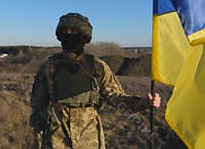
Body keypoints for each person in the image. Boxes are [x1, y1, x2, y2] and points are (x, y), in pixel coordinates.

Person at [29, 13, 161, 149]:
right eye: (65, 31)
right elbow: (38, 108)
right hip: (56, 141)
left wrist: (144, 102)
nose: (69, 35)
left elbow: (116, 98)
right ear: (60, 35)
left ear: (84, 35)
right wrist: (38, 141)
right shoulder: (49, 68)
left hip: (90, 140)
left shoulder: (97, 67)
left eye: (74, 31)